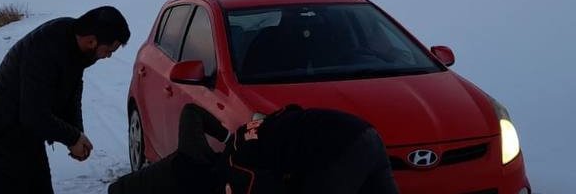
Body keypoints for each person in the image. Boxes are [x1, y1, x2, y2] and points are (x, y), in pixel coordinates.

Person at [0, 5, 130, 194]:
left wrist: (76, 133)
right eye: (110, 50)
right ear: (92, 41)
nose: (108, 56)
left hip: (26, 139)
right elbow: (32, 115)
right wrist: (73, 137)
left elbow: (72, 95)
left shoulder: (76, 46)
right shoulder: (43, 50)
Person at [108, 104, 399, 194]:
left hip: (337, 153)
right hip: (366, 134)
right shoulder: (243, 135)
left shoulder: (236, 163)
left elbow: (264, 188)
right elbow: (191, 111)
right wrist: (222, 132)